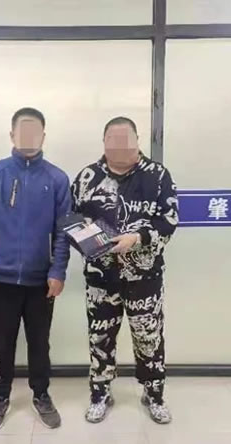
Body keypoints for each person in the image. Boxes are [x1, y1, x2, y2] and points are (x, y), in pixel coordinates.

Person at [71, 116, 179, 425]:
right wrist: (95, 244)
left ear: (137, 140)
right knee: (100, 337)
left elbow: (169, 221)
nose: (119, 145)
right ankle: (100, 393)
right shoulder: (87, 177)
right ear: (104, 142)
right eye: (113, 139)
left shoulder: (158, 175)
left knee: (149, 336)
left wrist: (138, 238)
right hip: (101, 278)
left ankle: (154, 394)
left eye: (125, 139)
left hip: (145, 277)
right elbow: (71, 220)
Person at [0, 107, 71, 432]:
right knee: (2, 344)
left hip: (41, 281)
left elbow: (63, 232)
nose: (29, 136)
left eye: (35, 131)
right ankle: (1, 395)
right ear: (12, 135)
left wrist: (58, 271)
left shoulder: (57, 179)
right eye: (22, 130)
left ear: (43, 136)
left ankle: (41, 394)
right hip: (0, 279)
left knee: (40, 343)